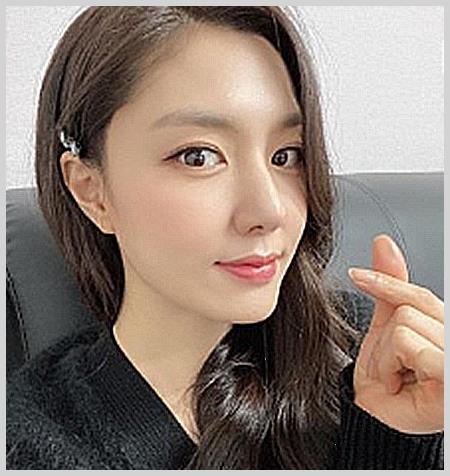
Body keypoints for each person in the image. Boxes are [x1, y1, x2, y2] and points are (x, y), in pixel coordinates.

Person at [6, 6, 444, 469]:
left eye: (286, 155)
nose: (270, 210)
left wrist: (396, 437)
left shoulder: (376, 355)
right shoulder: (35, 444)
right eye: (198, 157)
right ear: (91, 190)